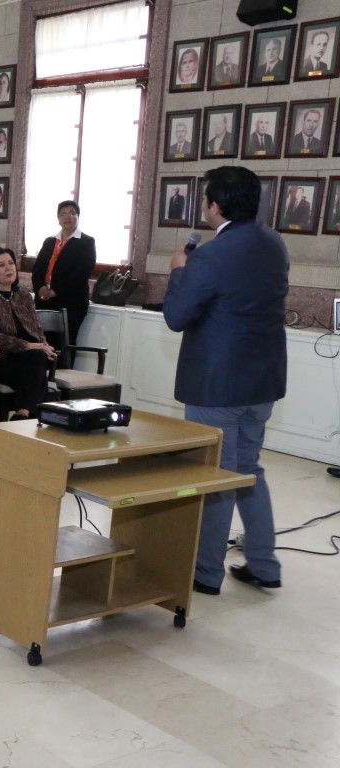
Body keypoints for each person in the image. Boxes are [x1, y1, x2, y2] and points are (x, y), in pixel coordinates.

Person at [163, 165, 287, 596]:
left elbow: (177, 317)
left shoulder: (211, 255)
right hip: (263, 381)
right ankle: (264, 564)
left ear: (215, 205)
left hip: (218, 385)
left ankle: (206, 573)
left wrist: (179, 270)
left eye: (205, 201)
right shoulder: (275, 244)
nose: (204, 208)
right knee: (249, 471)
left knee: (216, 476)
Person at [0, 247, 56, 420]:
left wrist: (44, 345)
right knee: (39, 377)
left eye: (11, 263)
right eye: (1, 265)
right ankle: (26, 415)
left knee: (38, 360)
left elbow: (36, 328)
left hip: (27, 359)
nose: (9, 268)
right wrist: (29, 345)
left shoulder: (24, 296)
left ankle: (22, 414)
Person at [30, 200, 98, 344]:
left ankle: (64, 368)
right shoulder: (49, 241)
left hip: (71, 303)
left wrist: (55, 291)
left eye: (72, 213)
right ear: (58, 218)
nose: (67, 217)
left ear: (78, 217)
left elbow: (81, 273)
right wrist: (40, 288)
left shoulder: (86, 242)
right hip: (44, 300)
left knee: (65, 344)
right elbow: (37, 269)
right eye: (63, 214)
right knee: (42, 344)